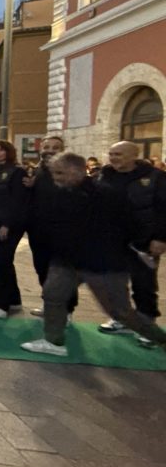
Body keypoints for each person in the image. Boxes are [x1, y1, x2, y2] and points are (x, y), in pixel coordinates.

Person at [21, 152, 166, 356]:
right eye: (54, 173)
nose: (56, 177)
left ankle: (160, 338)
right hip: (68, 259)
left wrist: (136, 248)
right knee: (53, 294)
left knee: (120, 312)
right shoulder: (63, 192)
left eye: (60, 173)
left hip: (101, 263)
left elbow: (130, 225)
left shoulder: (107, 194)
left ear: (76, 171)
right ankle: (54, 341)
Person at [96, 141, 166, 347]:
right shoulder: (104, 174)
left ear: (134, 155)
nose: (113, 158)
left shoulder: (155, 177)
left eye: (118, 154)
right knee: (114, 283)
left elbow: (164, 209)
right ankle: (122, 319)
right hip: (112, 240)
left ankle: (147, 325)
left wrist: (161, 238)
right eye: (111, 154)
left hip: (143, 241)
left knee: (144, 284)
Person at [24, 136, 78, 319]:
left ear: (63, 150)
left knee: (63, 272)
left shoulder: (71, 171)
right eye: (47, 146)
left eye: (56, 147)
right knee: (42, 269)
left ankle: (67, 310)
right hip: (38, 230)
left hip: (64, 232)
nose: (50, 150)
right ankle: (49, 304)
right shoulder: (38, 170)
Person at [0, 139, 28, 318]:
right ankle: (14, 299)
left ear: (8, 152)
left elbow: (17, 201)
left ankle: (1, 304)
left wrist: (6, 224)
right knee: (2, 259)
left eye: (1, 150)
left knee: (2, 262)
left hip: (9, 224)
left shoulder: (17, 171)